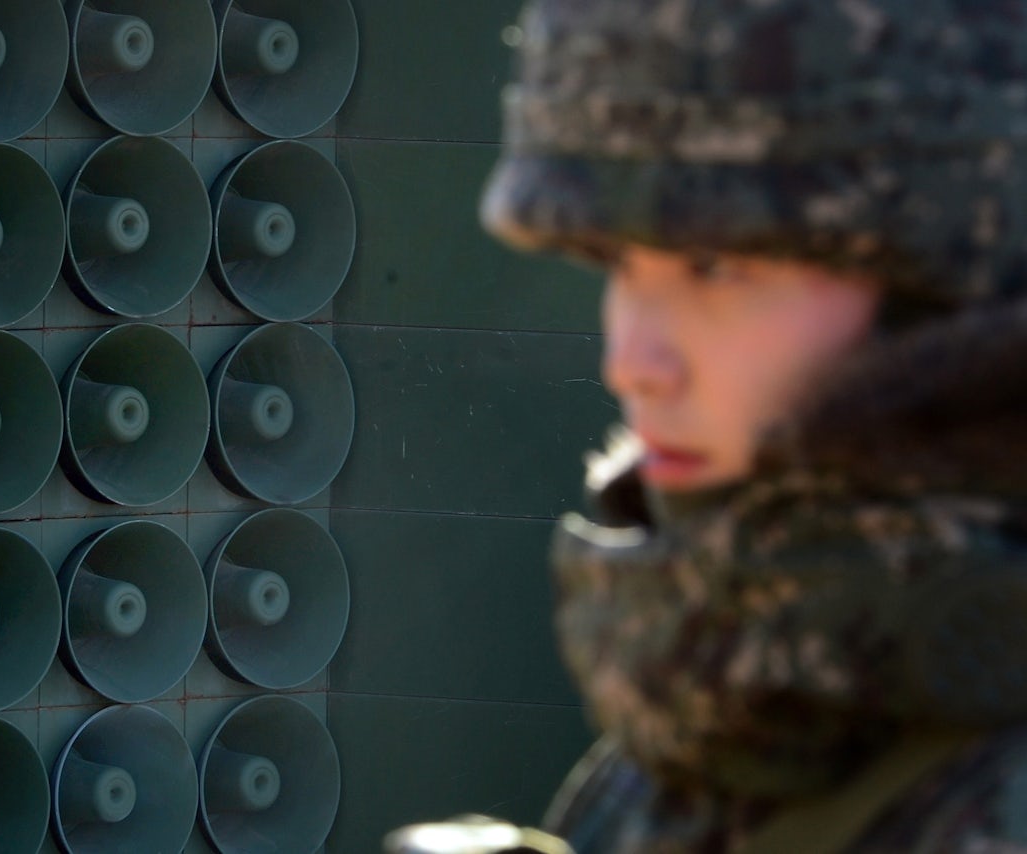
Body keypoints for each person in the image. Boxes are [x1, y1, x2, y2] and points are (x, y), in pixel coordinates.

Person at [386, 0, 1027, 851]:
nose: (633, 361)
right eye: (619, 264)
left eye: (715, 267)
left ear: (942, 294)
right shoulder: (732, 686)